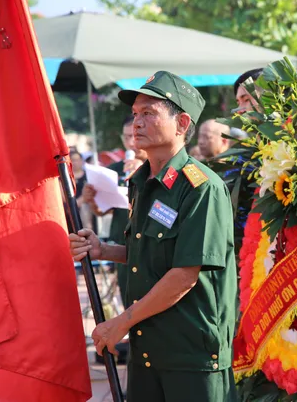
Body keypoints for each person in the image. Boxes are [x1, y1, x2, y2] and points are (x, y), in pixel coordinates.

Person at [69, 71, 238, 401]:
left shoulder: (202, 188)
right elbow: (147, 251)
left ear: (182, 123)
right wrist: (103, 249)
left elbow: (185, 274)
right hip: (148, 351)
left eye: (149, 113)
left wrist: (121, 322)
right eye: (134, 115)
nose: (137, 123)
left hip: (191, 356)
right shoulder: (141, 182)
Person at [83, 115, 147, 307]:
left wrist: (143, 171)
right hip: (122, 245)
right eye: (127, 137)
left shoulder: (157, 167)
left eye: (135, 136)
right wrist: (91, 200)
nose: (131, 143)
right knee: (129, 296)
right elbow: (102, 211)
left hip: (150, 242)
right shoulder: (115, 170)